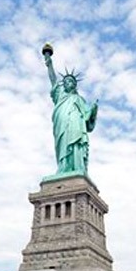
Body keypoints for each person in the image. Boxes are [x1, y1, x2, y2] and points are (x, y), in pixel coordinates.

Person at [43, 44, 98, 176]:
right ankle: (63, 168)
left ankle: (77, 167)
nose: (69, 83)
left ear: (75, 85)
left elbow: (87, 118)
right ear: (64, 84)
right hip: (61, 124)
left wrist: (93, 110)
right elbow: (52, 79)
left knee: (77, 144)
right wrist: (49, 63)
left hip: (76, 125)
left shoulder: (80, 99)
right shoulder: (59, 94)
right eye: (66, 81)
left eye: (71, 81)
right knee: (63, 145)